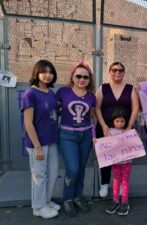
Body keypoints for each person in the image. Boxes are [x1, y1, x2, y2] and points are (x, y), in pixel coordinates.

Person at [56, 61, 96, 217]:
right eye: (78, 76)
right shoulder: (63, 92)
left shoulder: (91, 97)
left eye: (85, 77)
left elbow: (91, 117)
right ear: (72, 77)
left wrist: (93, 137)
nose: (82, 79)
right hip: (67, 135)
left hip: (85, 135)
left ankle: (78, 196)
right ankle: (67, 198)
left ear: (89, 79)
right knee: (73, 168)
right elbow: (54, 111)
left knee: (81, 169)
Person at [21, 60, 60, 219]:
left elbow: (54, 113)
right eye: (44, 72)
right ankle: (38, 207)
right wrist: (37, 147)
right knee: (39, 175)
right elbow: (28, 123)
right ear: (36, 73)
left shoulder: (51, 93)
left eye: (50, 72)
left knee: (53, 173)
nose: (48, 75)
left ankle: (46, 200)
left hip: (51, 141)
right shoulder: (30, 94)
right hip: (37, 143)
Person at [95, 62, 139, 198]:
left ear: (124, 73)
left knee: (122, 160)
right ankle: (104, 183)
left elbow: (135, 108)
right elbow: (96, 107)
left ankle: (120, 184)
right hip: (106, 130)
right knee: (106, 157)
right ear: (109, 71)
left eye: (120, 70)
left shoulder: (130, 88)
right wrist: (103, 125)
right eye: (114, 70)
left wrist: (129, 127)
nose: (117, 73)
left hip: (123, 131)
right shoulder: (103, 88)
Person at [105, 107, 132, 216]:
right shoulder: (110, 132)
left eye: (122, 121)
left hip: (127, 162)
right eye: (117, 121)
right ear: (113, 121)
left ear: (126, 121)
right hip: (115, 163)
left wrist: (136, 137)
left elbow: (135, 143)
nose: (120, 124)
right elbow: (105, 145)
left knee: (125, 182)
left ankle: (125, 202)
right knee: (116, 181)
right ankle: (115, 200)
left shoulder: (128, 131)